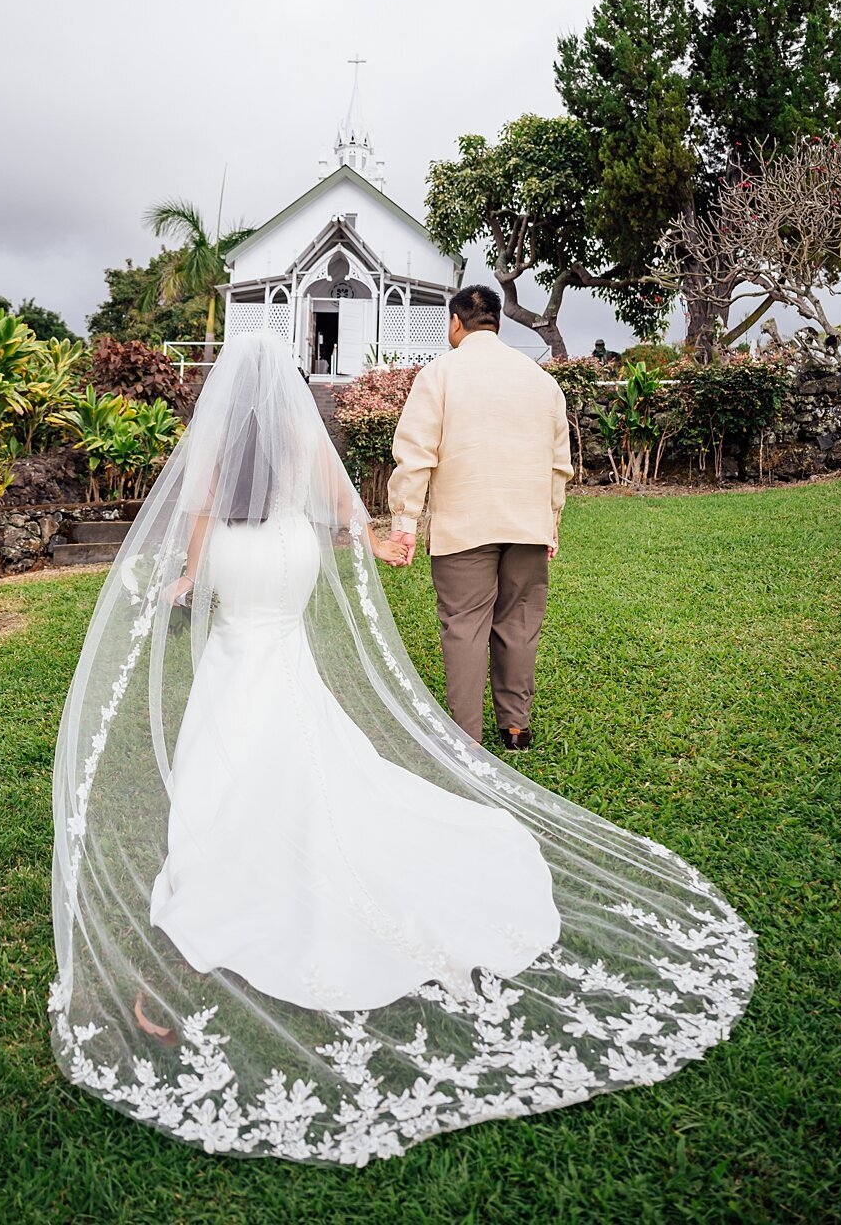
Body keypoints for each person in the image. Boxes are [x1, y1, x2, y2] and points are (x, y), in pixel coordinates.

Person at [49, 331, 755, 1167]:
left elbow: (196, 560)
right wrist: (347, 536)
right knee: (307, 726)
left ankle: (237, 850)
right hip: (289, 581)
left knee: (230, 739)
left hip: (240, 605)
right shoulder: (303, 451)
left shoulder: (214, 471)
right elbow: (350, 517)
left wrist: (178, 583)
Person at [389, 285, 573, 750]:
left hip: (464, 524)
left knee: (464, 626)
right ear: (497, 322)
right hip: (527, 523)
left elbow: (415, 455)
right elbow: (558, 462)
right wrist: (550, 520)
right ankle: (515, 728)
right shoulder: (541, 381)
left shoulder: (439, 375)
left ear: (456, 323)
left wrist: (405, 524)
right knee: (519, 623)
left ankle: (466, 738)